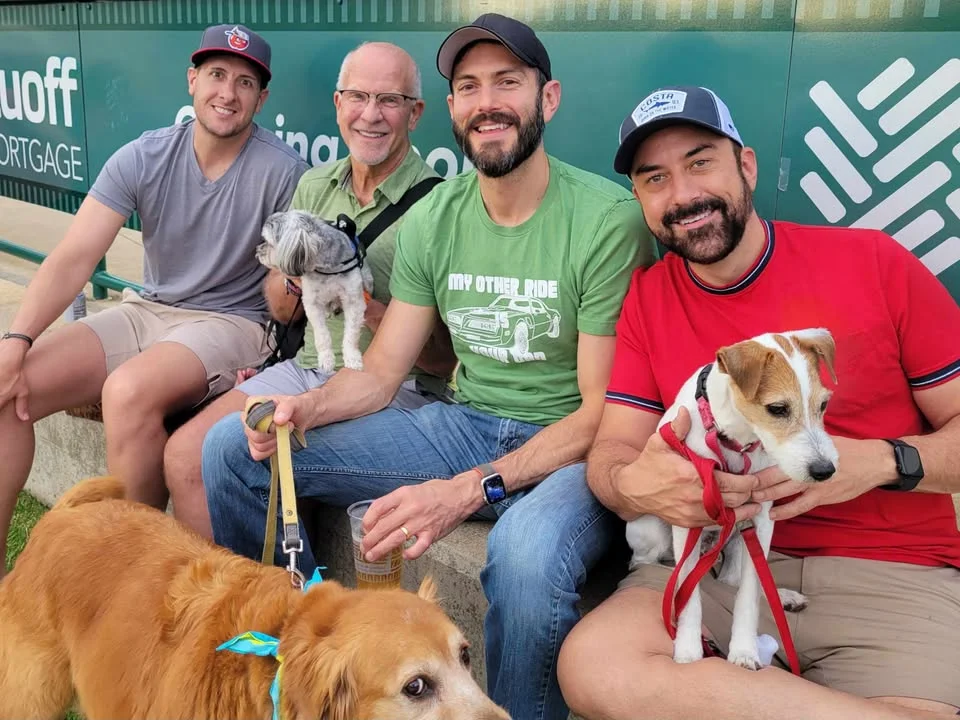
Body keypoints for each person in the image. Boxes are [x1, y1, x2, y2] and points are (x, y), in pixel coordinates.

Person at [200, 13, 656, 720]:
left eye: (507, 82)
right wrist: (307, 408)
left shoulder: (606, 219)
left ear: (549, 97)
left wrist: (467, 490)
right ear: (450, 108)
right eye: (469, 86)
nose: (487, 102)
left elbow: (603, 412)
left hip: (568, 445)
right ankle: (302, 675)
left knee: (525, 559)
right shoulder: (436, 215)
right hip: (464, 425)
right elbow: (382, 372)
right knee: (234, 448)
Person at [557, 85, 960, 719]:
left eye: (700, 162)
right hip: (713, 565)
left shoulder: (874, 262)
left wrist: (882, 462)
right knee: (592, 668)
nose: (682, 194)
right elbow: (612, 451)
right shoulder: (648, 297)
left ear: (746, 165)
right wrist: (637, 486)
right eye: (655, 178)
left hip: (886, 572)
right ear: (639, 198)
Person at [0, 23, 309, 575]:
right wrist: (16, 340)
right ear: (192, 80)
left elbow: (287, 296)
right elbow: (74, 256)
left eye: (244, 82)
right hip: (149, 309)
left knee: (127, 390)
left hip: (233, 322)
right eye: (216, 75)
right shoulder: (146, 154)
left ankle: (128, 581)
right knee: (10, 386)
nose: (227, 93)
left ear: (261, 99)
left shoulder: (285, 172)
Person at [162, 41, 455, 540]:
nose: (370, 115)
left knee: (253, 450)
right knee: (184, 453)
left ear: (415, 113)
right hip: (306, 368)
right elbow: (282, 310)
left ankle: (290, 588)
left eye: (389, 100)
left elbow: (442, 361)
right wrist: (296, 276)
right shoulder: (315, 185)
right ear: (338, 104)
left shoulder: (440, 205)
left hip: (395, 390)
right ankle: (226, 588)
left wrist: (361, 299)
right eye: (357, 97)